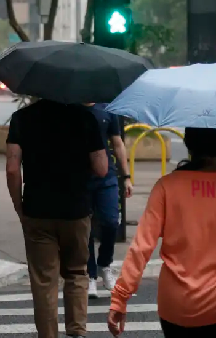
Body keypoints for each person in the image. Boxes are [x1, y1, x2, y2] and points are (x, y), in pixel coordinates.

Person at [107, 128, 216, 338]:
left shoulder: (166, 186)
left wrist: (120, 298)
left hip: (180, 304)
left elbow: (141, 247)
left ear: (188, 145)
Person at [6, 99, 107, 338]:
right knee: (76, 272)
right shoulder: (85, 117)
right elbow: (102, 167)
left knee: (44, 280)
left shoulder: (22, 118)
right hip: (76, 210)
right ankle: (77, 331)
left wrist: (19, 207)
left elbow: (12, 169)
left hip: (37, 210)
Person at [82, 103, 133, 298]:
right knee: (85, 227)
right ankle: (91, 275)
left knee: (112, 222)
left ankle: (105, 264)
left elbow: (117, 142)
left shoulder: (108, 109)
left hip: (107, 176)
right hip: (82, 177)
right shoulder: (74, 109)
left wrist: (126, 176)